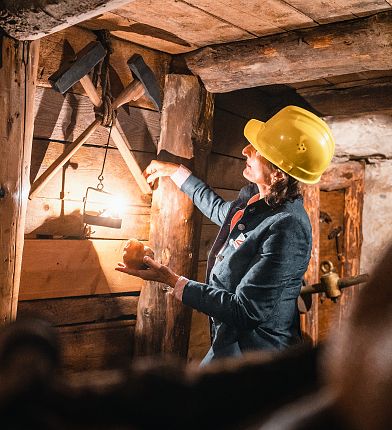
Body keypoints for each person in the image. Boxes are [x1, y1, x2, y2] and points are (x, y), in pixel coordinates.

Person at [116, 105, 335, 365]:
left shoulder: (287, 227)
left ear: (277, 173)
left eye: (257, 149)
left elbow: (246, 311)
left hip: (259, 358)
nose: (246, 150)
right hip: (231, 341)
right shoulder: (259, 201)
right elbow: (223, 213)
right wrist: (177, 172)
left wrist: (170, 279)